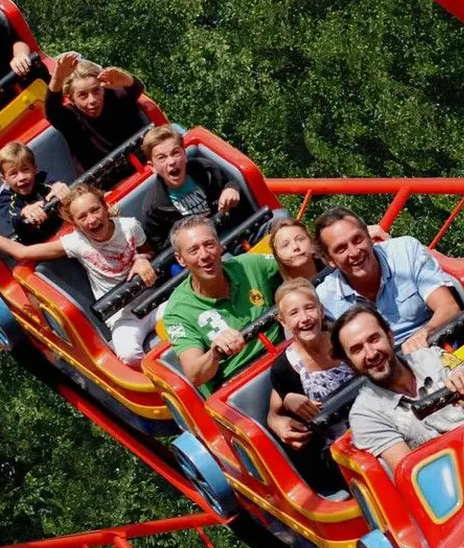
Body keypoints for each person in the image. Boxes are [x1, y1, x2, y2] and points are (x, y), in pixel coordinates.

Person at [0, 183, 159, 368]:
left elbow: (149, 251)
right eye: (82, 217)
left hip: (153, 297)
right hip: (121, 314)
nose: (92, 220)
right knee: (128, 355)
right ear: (75, 223)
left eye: (95, 210)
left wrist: (142, 258)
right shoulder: (76, 242)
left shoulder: (129, 226)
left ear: (105, 208)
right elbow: (22, 253)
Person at [333, 303, 464, 474]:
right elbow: (415, 475)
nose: (370, 353)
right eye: (357, 349)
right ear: (349, 363)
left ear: (390, 337)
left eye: (374, 339)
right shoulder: (365, 415)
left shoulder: (433, 357)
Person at [314, 207, 462, 355]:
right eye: (341, 249)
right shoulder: (325, 299)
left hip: (441, 341)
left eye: (357, 240)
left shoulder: (405, 251)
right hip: (387, 368)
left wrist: (424, 333)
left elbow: (449, 308)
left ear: (369, 237)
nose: (354, 252)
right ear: (329, 260)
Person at [162, 214, 282, 392]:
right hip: (237, 385)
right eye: (193, 250)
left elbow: (296, 262)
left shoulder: (248, 265)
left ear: (220, 245)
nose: (204, 255)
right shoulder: (178, 311)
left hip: (284, 357)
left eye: (209, 244)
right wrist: (214, 353)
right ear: (180, 259)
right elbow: (195, 374)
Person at [266, 278, 354, 494]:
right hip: (338, 450)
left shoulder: (345, 338)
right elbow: (273, 414)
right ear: (283, 321)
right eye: (294, 313)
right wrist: (286, 408)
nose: (304, 318)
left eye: (309, 308)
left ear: (321, 310)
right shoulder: (285, 368)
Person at [139, 125, 244, 252]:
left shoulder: (205, 170)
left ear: (184, 153)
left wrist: (231, 189)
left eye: (175, 153)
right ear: (152, 166)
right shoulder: (154, 208)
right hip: (202, 254)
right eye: (162, 158)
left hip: (233, 231)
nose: (171, 161)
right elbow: (162, 249)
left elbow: (230, 183)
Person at [45, 51, 148, 172]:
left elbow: (136, 88)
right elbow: (52, 109)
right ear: (71, 98)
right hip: (104, 184)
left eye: (96, 91)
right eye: (83, 95)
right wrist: (58, 77)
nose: (92, 100)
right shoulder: (71, 119)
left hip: (143, 164)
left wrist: (127, 79)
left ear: (103, 88)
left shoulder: (114, 97)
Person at [0, 141, 70, 245]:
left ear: (34, 169)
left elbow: (53, 185)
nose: (22, 178)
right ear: (4, 179)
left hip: (62, 228)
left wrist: (58, 187)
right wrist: (24, 212)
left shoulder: (41, 177)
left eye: (25, 170)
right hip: (38, 242)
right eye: (13, 174)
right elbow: (13, 215)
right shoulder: (6, 197)